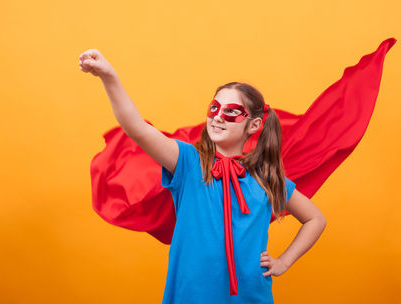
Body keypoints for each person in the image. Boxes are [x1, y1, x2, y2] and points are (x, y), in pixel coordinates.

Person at [78, 50, 328, 303]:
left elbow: (315, 219)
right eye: (214, 108)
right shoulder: (187, 162)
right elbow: (137, 128)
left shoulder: (266, 178)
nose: (218, 115)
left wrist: (284, 261)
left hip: (251, 296)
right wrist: (109, 77)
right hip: (192, 295)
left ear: (253, 125)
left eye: (231, 111)